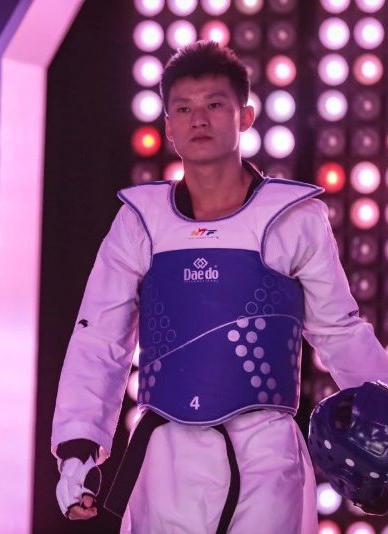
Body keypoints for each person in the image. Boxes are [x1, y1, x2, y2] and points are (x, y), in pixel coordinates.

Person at [51, 40, 388, 533]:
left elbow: (339, 331)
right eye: (184, 109)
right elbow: (100, 337)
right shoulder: (140, 222)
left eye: (214, 105)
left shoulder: (293, 218)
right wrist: (78, 449)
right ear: (168, 126)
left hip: (266, 455)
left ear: (245, 116)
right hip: (166, 458)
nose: (199, 120)